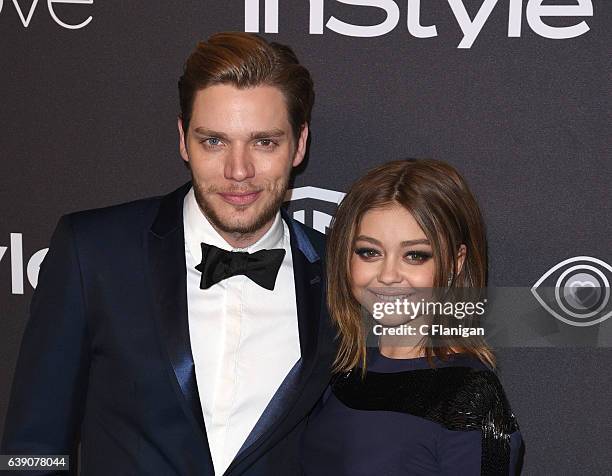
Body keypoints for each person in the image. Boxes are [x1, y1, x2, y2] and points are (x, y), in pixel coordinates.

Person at [1, 32, 336, 476]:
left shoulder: (339, 275)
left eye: (264, 142)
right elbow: (32, 448)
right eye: (214, 141)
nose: (239, 171)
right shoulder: (94, 252)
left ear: (300, 143)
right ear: (183, 140)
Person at [302, 159, 523, 475]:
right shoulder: (343, 371)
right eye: (369, 252)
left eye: (415, 255)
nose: (389, 275)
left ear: (457, 262)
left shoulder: (468, 396)